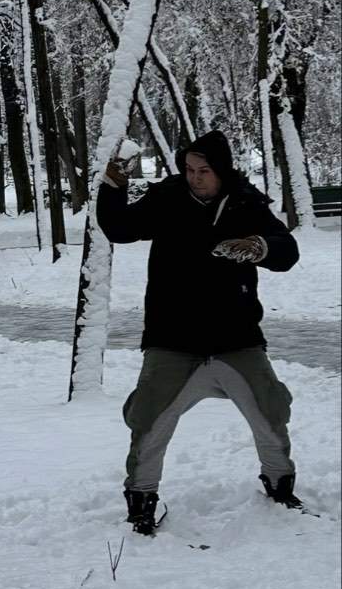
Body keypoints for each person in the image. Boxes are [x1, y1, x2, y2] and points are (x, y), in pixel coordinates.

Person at [97, 130, 302, 535]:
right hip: (172, 339)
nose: (195, 177)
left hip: (236, 338)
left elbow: (287, 250)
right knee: (148, 421)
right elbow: (119, 227)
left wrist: (259, 246)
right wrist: (114, 183)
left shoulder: (246, 203)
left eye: (204, 170)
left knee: (271, 412)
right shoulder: (167, 199)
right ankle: (141, 500)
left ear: (222, 171)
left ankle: (279, 485)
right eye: (189, 169)